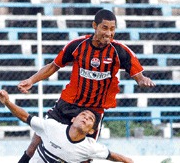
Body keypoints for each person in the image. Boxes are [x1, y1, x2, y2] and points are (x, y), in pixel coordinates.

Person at [17, 9, 156, 162]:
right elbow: (53, 66)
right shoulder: (77, 45)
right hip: (68, 103)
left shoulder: (120, 51)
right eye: (105, 28)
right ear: (94, 26)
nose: (109, 33)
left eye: (112, 29)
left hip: (93, 112)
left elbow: (138, 75)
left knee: (85, 156)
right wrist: (31, 80)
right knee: (35, 143)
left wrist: (143, 80)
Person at [0, 89, 134, 163]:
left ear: (92, 130)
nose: (85, 117)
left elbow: (114, 156)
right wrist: (7, 102)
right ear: (73, 119)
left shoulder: (90, 147)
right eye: (83, 115)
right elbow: (25, 116)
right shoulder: (52, 127)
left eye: (90, 118)